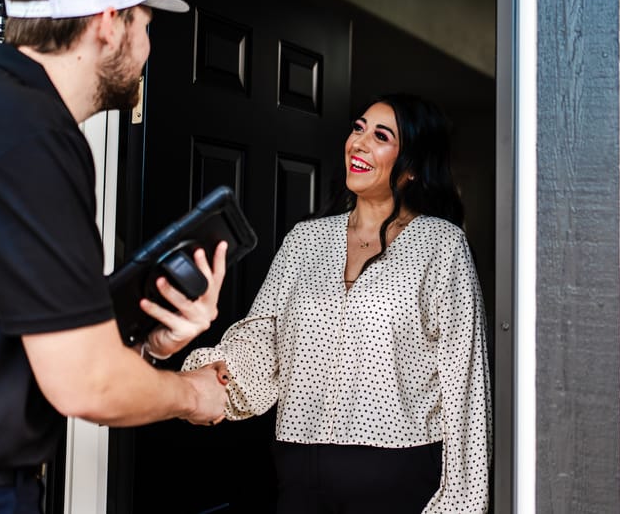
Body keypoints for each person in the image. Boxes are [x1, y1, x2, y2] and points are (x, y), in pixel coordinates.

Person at [0, 0, 230, 514]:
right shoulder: (29, 138)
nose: (148, 50)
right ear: (109, 23)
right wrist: (194, 394)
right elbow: (86, 382)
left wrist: (148, 344)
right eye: (147, 26)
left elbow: (9, 333)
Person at [183, 93, 491, 513]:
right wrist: (212, 378)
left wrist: (461, 501)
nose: (358, 143)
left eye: (380, 136)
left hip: (400, 474)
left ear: (414, 167)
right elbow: (263, 340)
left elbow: (465, 382)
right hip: (300, 470)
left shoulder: (441, 244)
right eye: (357, 128)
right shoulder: (304, 240)